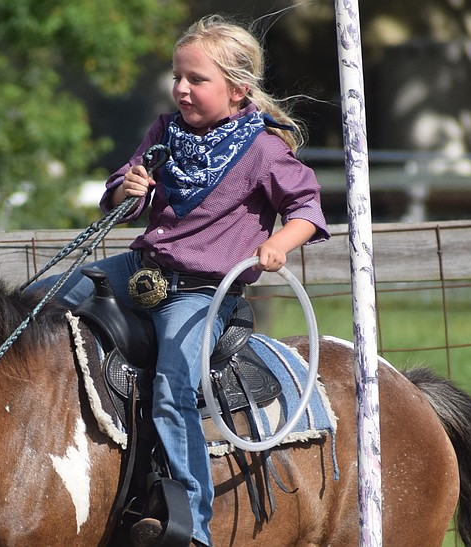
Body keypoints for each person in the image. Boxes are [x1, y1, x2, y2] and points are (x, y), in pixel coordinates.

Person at [32, 14, 329, 547]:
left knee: (173, 384)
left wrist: (278, 245)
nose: (182, 89)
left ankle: (191, 526)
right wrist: (130, 188)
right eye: (177, 77)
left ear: (238, 89)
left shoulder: (263, 149)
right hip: (140, 270)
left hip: (201, 293)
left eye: (197, 80)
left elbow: (306, 208)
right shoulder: (165, 131)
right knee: (35, 304)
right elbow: (124, 190)